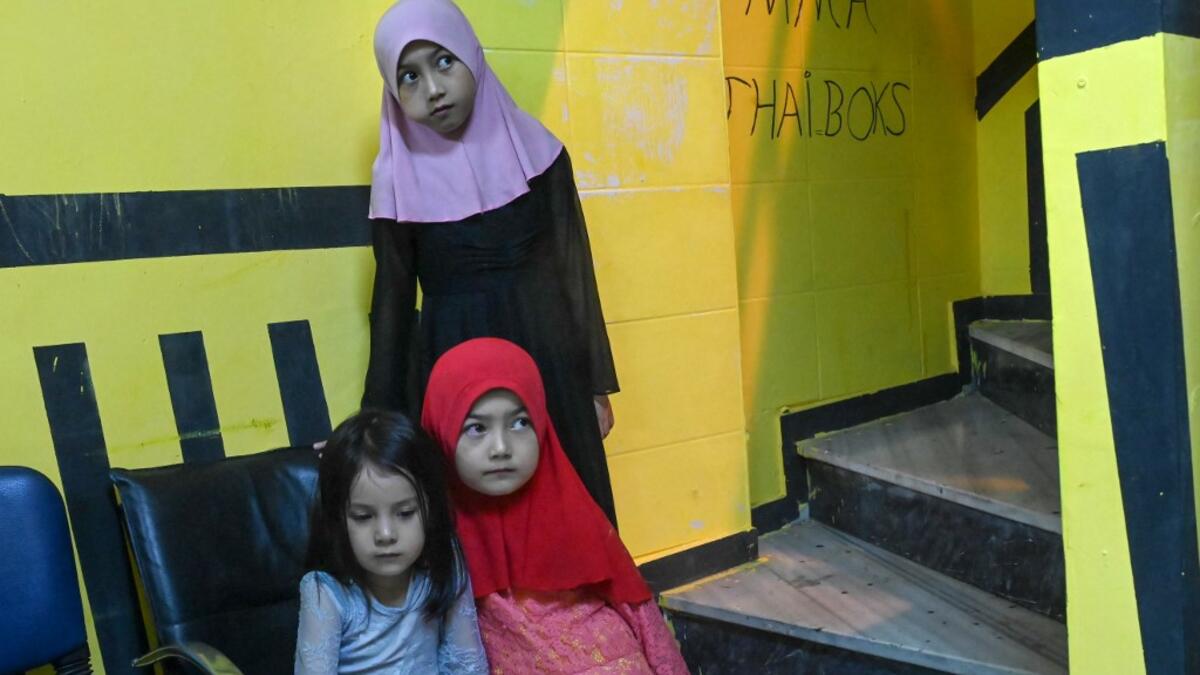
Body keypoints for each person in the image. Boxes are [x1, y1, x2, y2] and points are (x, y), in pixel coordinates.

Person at [361, 0, 621, 525]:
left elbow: (574, 272)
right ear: (392, 91)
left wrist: (595, 387)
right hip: (456, 368)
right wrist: (375, 425)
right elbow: (391, 302)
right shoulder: (394, 179)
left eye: (444, 62)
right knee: (479, 528)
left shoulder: (541, 154)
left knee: (570, 511)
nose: (432, 89)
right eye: (408, 76)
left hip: (548, 356)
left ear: (472, 57)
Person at [421, 338, 690, 674]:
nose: (501, 447)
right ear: (440, 430)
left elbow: (640, 614)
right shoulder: (422, 536)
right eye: (477, 428)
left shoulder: (573, 514)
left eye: (520, 422)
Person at [295, 409, 488, 674]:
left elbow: (467, 665)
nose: (385, 535)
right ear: (338, 519)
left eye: (405, 513)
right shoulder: (326, 593)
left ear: (430, 510)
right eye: (363, 517)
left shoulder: (445, 562)